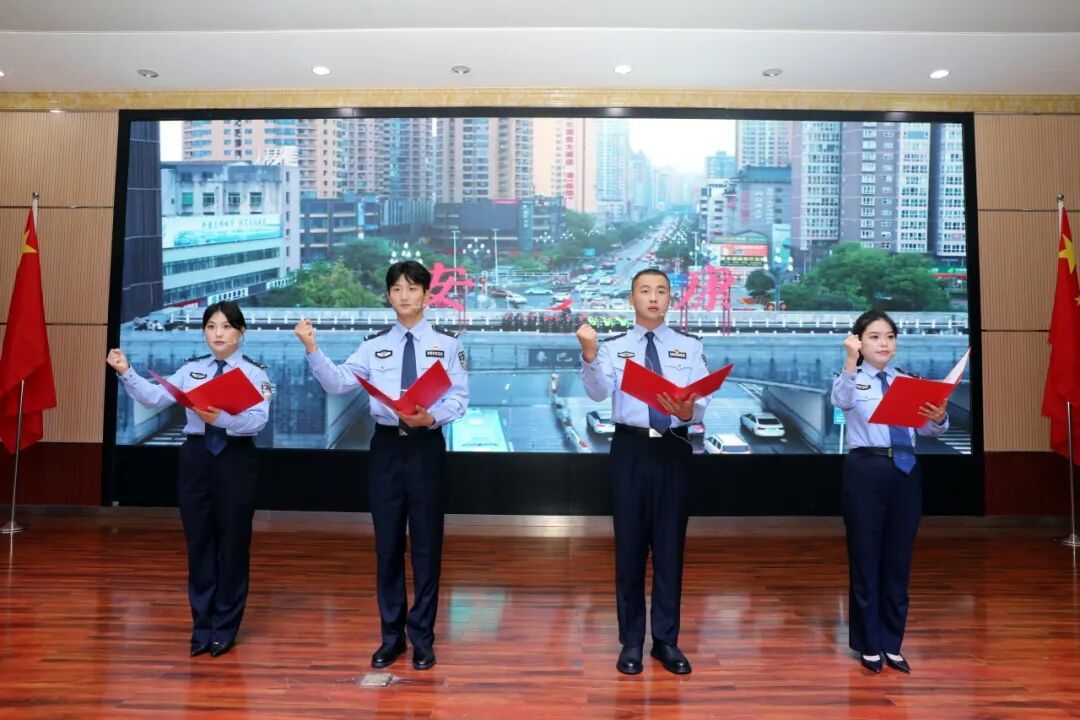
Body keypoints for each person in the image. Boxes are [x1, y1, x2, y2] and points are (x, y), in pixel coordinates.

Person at [295, 260, 469, 671]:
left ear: (427, 296)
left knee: (426, 546)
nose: (404, 296)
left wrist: (432, 417)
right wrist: (312, 348)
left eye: (412, 289)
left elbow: (459, 398)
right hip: (386, 449)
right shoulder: (373, 345)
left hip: (425, 446)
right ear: (388, 296)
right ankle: (391, 637)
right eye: (396, 289)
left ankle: (422, 638)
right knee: (387, 545)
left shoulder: (447, 345)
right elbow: (338, 382)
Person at [106, 301, 271, 658]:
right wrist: (126, 371)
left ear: (241, 332)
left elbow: (258, 421)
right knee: (199, 544)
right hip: (196, 457)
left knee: (233, 544)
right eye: (211, 327)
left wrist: (221, 419)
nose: (218, 334)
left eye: (226, 327)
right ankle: (202, 626)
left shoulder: (256, 374)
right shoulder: (192, 369)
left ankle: (225, 627)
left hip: (235, 458)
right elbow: (154, 398)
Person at [576, 268, 710, 676]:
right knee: (630, 548)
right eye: (645, 291)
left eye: (661, 291)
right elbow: (597, 392)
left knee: (670, 548)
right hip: (631, 449)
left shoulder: (690, 346)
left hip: (673, 448)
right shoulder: (614, 348)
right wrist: (589, 354)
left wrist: (688, 410)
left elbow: (701, 402)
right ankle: (631, 641)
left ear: (671, 299)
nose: (653, 298)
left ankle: (666, 641)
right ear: (631, 299)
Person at [830, 309, 948, 675]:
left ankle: (892, 643)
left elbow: (927, 431)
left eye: (890, 337)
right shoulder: (850, 378)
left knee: (899, 561)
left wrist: (939, 417)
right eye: (875, 336)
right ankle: (868, 644)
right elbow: (840, 401)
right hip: (867, 469)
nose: (884, 343)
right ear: (859, 342)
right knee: (866, 557)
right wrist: (850, 362)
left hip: (906, 470)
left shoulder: (908, 381)